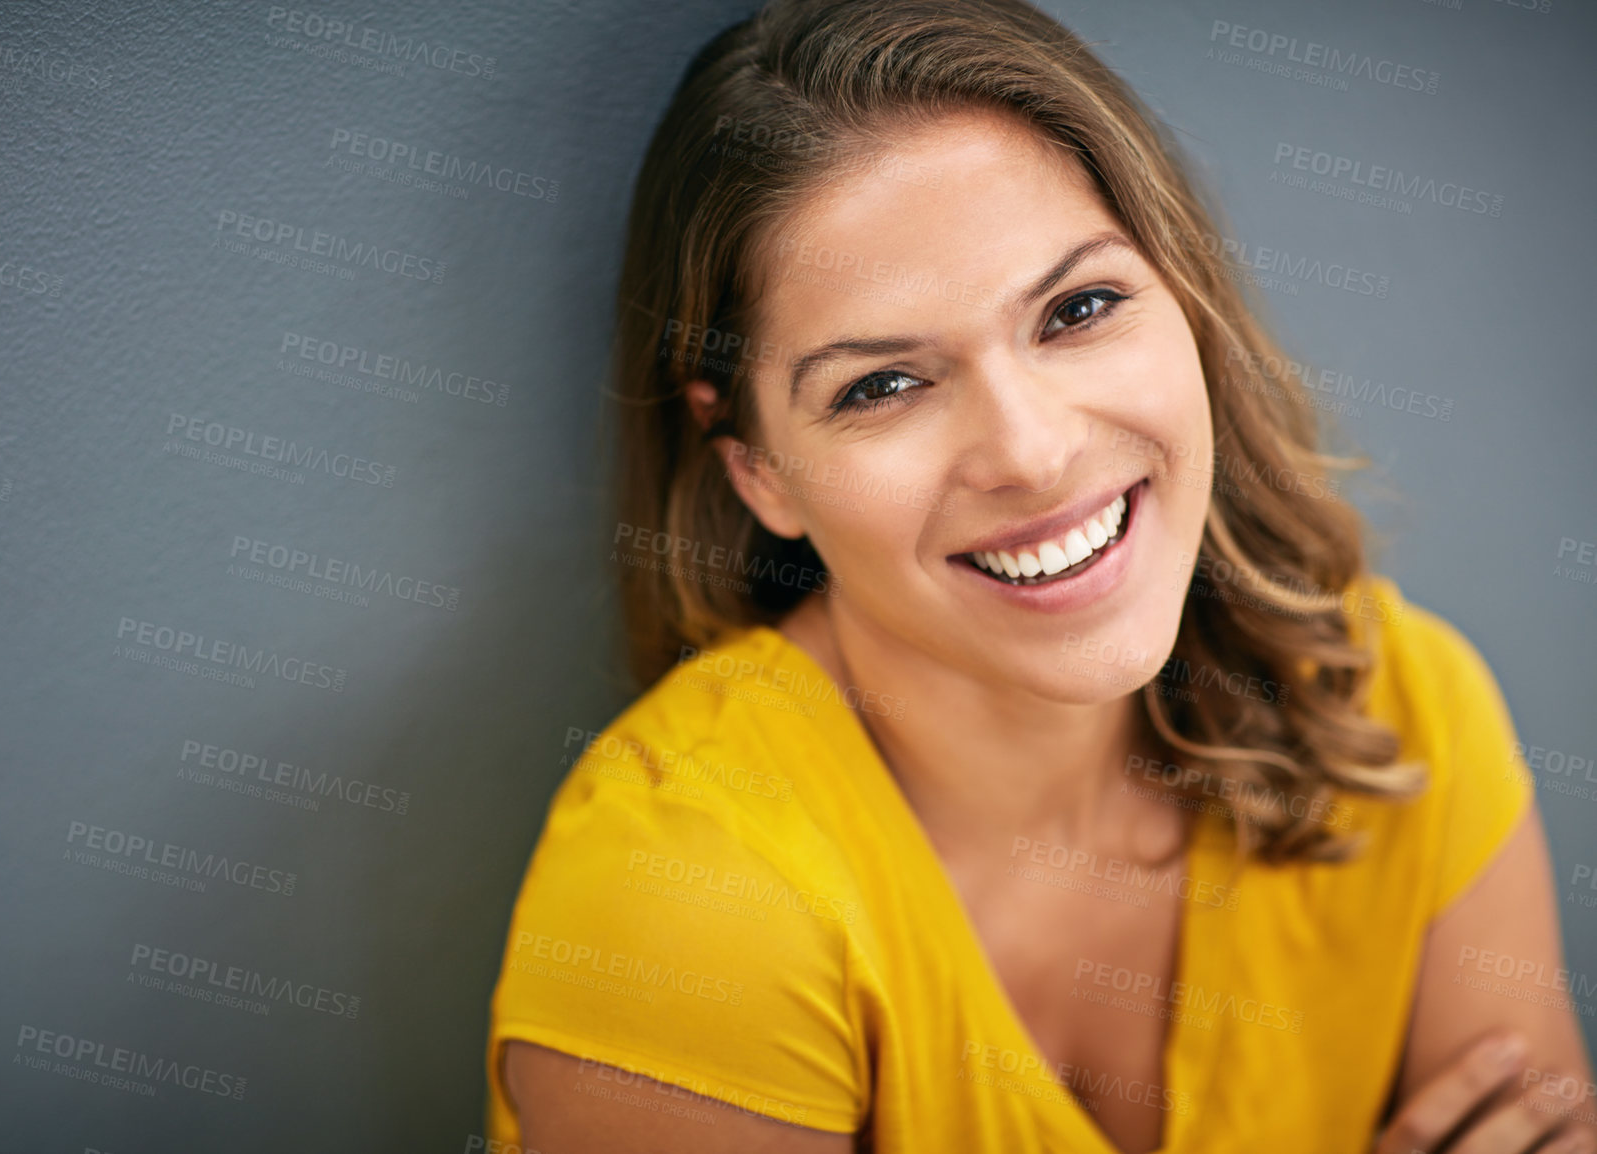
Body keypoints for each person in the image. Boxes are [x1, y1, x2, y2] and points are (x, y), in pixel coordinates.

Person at [482, 0, 1596, 1149]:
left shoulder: (1400, 706)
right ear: (759, 469)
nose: (1032, 452)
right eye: (881, 385)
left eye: (1078, 308)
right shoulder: (681, 902)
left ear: (1186, 299)